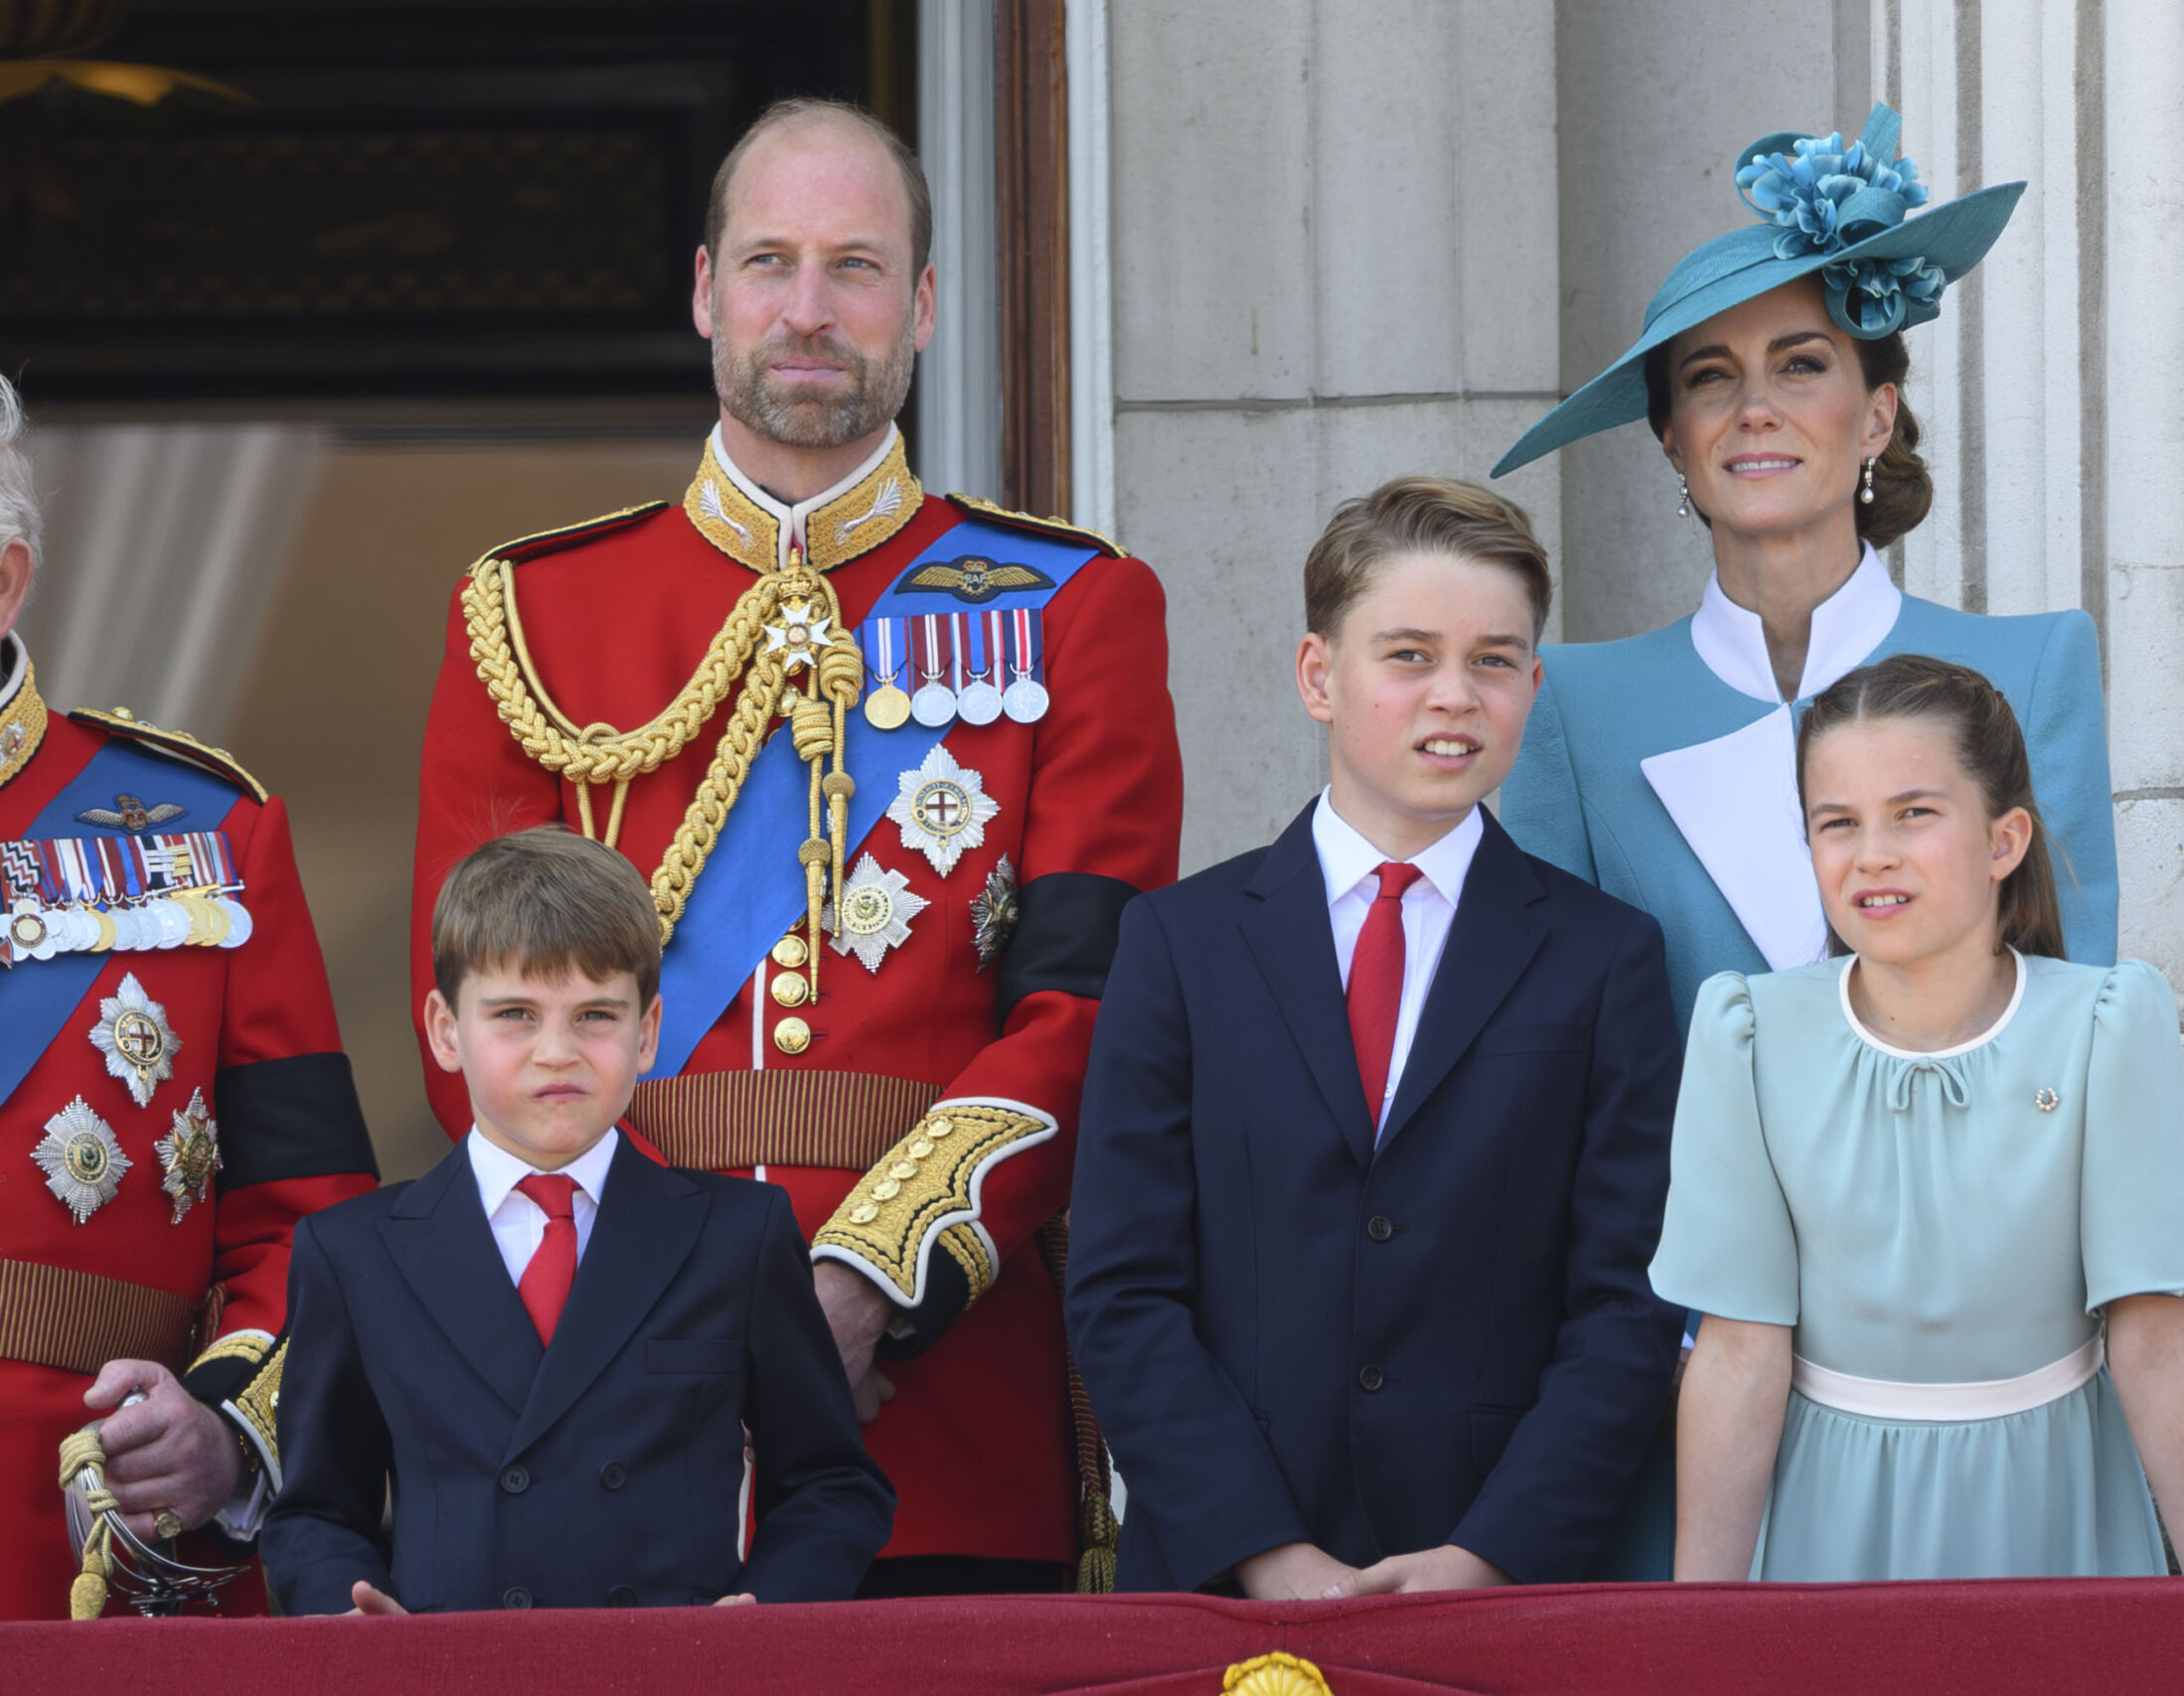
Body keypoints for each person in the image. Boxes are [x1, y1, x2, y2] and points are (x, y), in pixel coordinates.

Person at [407, 99, 1180, 1595]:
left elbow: (1097, 1013)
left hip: (943, 1413)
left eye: (856, 266)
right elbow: (470, 1027)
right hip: (602, 1401)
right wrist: (654, 1303)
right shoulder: (529, 616)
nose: (809, 310)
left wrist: (866, 1280)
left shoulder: (1075, 606)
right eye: (770, 263)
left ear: (927, 305)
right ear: (705, 290)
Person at [1487, 103, 2121, 1578]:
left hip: (1990, 1385)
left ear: (1880, 412)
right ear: (1670, 437)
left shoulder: (2031, 664)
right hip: (1695, 1384)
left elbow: (2078, 1034)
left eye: (1803, 365)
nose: (1754, 407)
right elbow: (1564, 1066)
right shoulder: (1573, 703)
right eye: (1710, 379)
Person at [1066, 478, 1682, 1599]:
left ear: (1532, 687)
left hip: (1500, 1575)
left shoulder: (1604, 957)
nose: (1455, 695)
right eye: (1408, 655)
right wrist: (1260, 1548)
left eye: (1493, 660)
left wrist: (1492, 1555)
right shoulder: (1178, 944)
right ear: (1318, 676)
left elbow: (1626, 1306)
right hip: (1221, 1575)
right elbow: (1121, 1290)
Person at [1657, 655, 2184, 1581]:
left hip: (2050, 1503)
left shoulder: (2102, 1026)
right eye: (1837, 823)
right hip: (1831, 1516)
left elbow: (2156, 1335)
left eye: (1914, 813)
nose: (1873, 854)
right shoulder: (1749, 1033)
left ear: (2003, 839)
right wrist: (1697, 1630)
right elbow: (1736, 1353)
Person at [264, 829, 894, 1613]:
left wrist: (763, 1612)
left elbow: (831, 1484)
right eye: (516, 1013)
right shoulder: (354, 1251)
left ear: (648, 1030)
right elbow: (317, 1511)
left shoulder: (741, 1232)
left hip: (675, 1677)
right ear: (444, 1029)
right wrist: (354, 1625)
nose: (556, 1051)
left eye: (596, 1014)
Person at [0, 375, 379, 1619]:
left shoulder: (206, 834)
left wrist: (222, 1432)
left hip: (82, 1562)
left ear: (4, 578)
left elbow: (307, 1230)